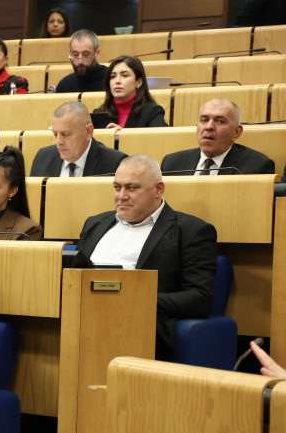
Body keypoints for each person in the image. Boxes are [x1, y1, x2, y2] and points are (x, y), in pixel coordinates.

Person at [72, 155, 217, 359]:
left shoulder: (191, 231)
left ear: (158, 189)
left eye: (132, 188)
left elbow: (200, 298)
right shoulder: (94, 224)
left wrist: (136, 299)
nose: (121, 196)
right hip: (80, 313)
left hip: (139, 324)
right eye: (117, 187)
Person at [160, 98, 275, 175]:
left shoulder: (256, 166)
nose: (209, 127)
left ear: (237, 132)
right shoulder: (172, 164)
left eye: (220, 121)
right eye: (204, 120)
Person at [30, 101, 126, 177]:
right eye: (55, 134)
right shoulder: (43, 158)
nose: (59, 142)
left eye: (65, 134)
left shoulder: (114, 164)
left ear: (88, 131)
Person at [92, 55, 167, 129]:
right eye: (112, 76)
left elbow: (162, 136)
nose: (117, 81)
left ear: (139, 82)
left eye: (124, 75)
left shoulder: (152, 112)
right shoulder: (99, 113)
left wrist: (123, 134)